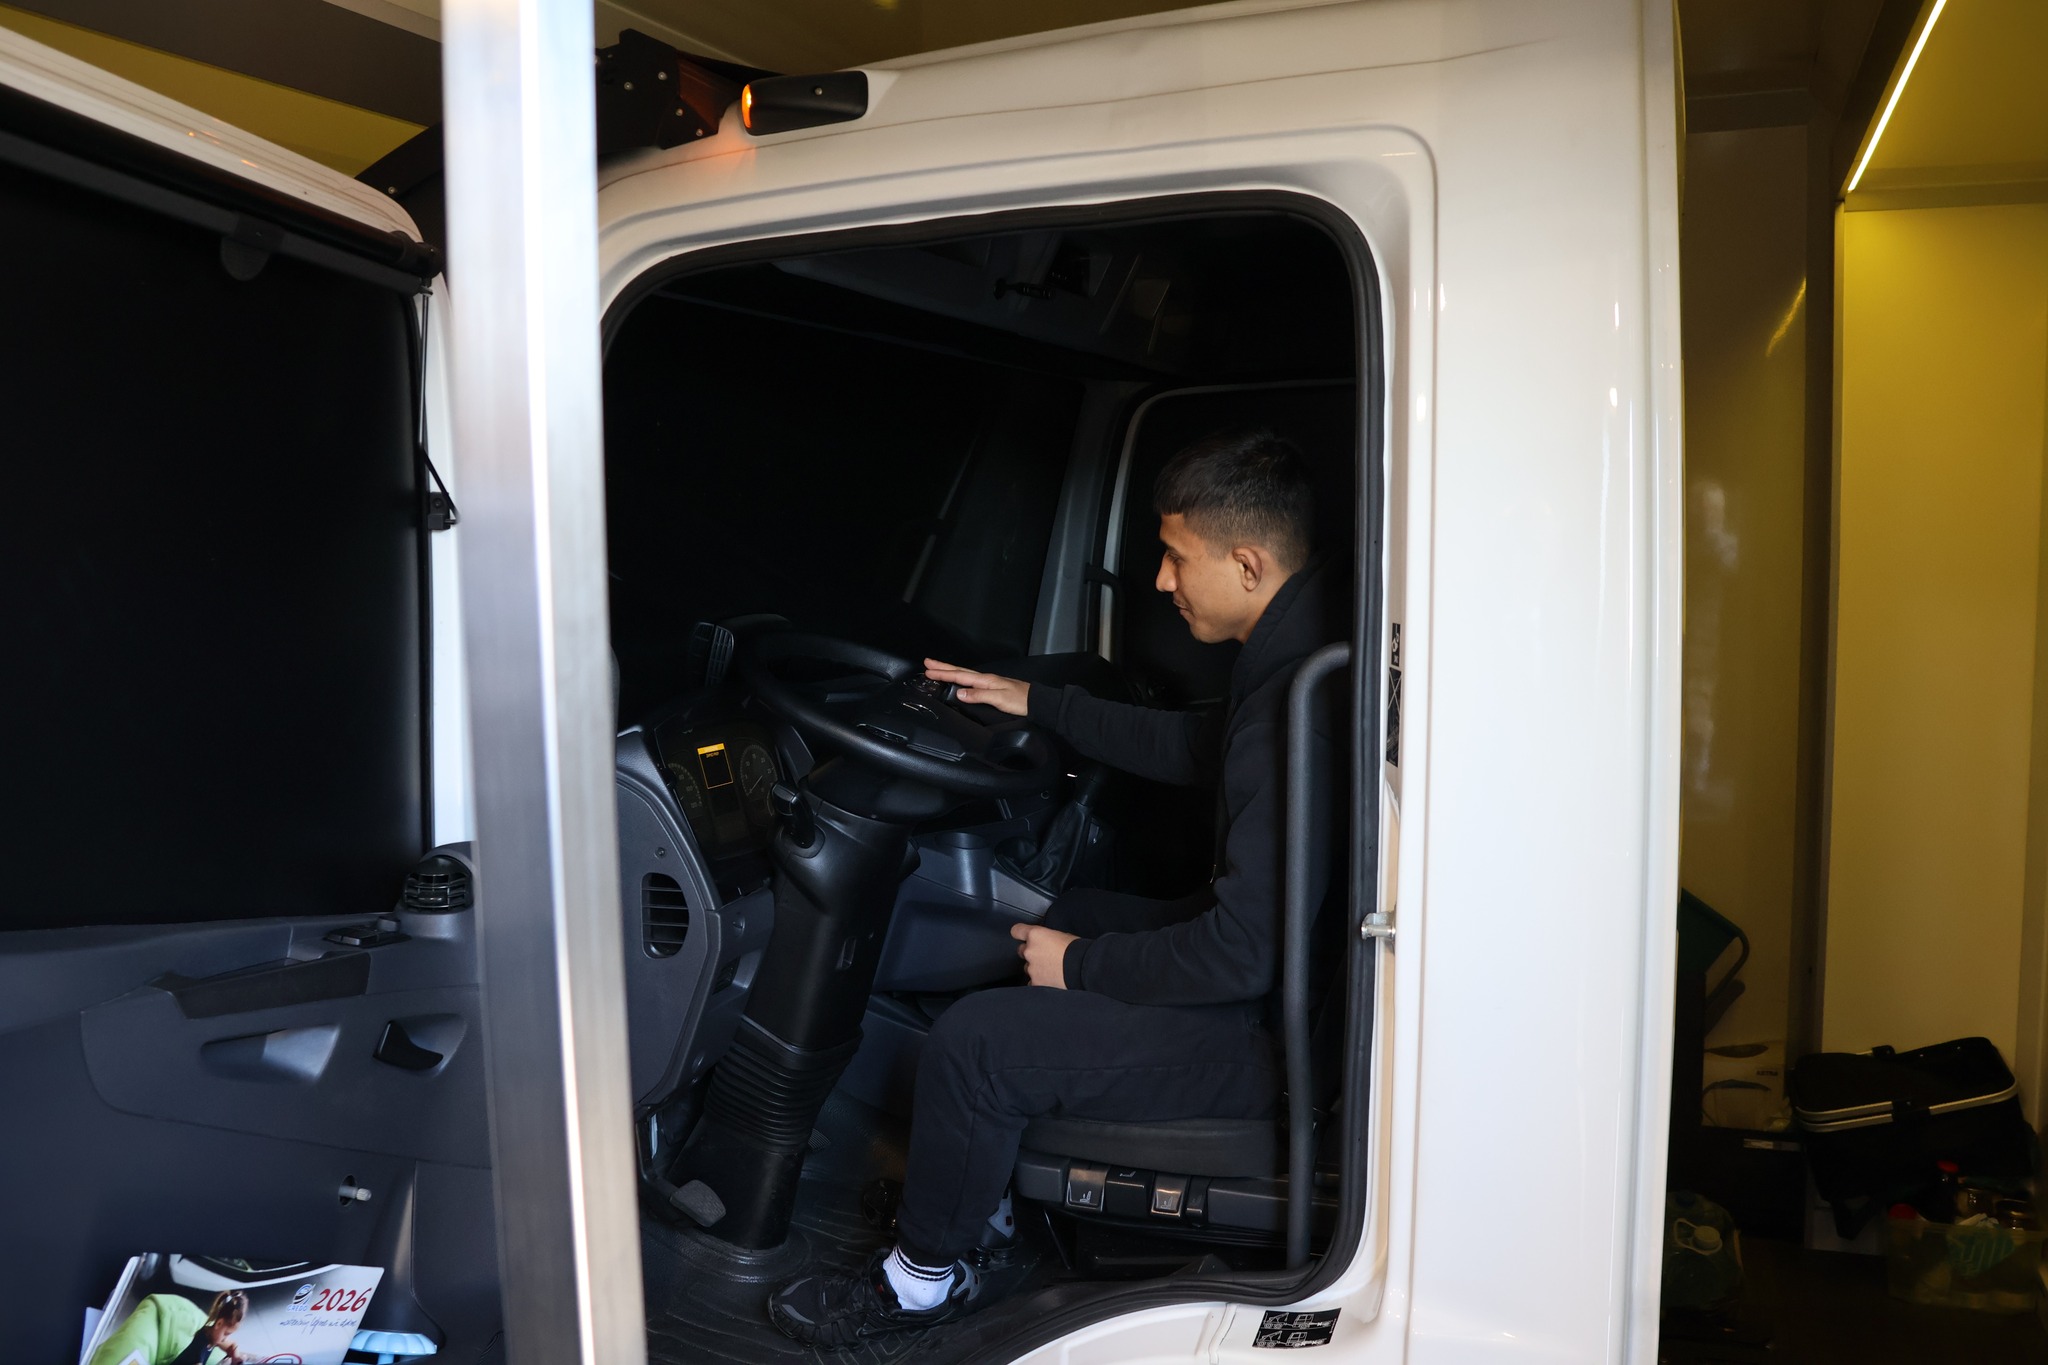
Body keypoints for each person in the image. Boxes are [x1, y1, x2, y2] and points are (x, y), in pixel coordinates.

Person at [766, 428, 1345, 1348]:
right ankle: (979, 1199)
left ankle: (922, 1281)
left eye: (1175, 556)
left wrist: (1081, 966)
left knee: (974, 1045)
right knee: (1074, 911)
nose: (1160, 579)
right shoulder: (1299, 654)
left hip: (1271, 1043)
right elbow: (1192, 747)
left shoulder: (1294, 712)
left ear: (1247, 564)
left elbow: (1242, 954)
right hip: (1289, 993)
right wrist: (1036, 701)